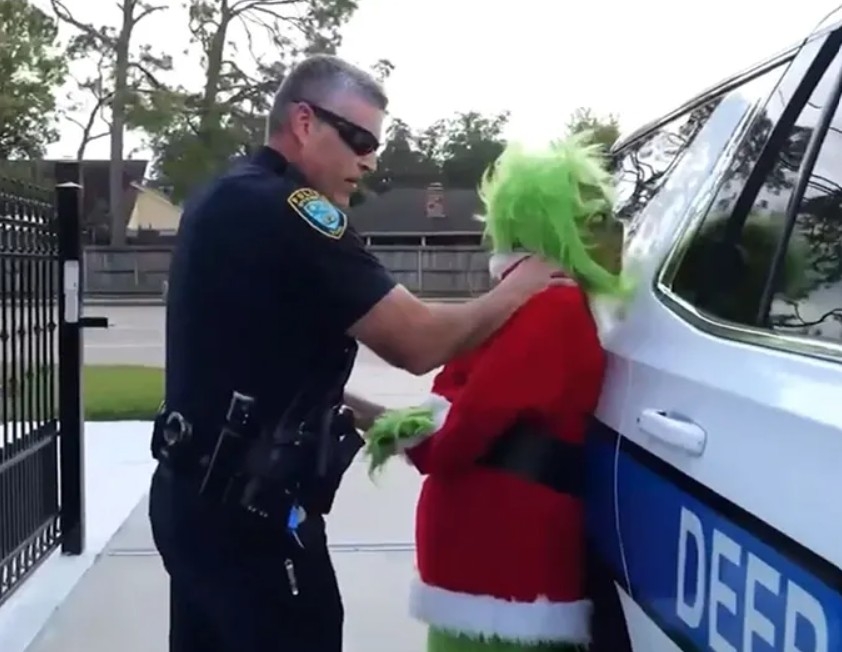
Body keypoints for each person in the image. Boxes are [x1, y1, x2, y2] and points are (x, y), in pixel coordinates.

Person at [147, 53, 565, 652]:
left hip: (193, 503)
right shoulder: (293, 211)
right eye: (359, 138)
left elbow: (256, 360)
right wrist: (520, 288)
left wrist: (371, 414)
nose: (368, 160)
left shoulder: (225, 195)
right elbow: (417, 342)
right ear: (303, 121)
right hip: (252, 522)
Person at [363, 134, 631, 652]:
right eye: (595, 221)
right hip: (506, 544)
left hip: (476, 530)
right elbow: (474, 420)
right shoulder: (552, 307)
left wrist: (415, 435)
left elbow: (451, 394)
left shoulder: (511, 302)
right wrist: (426, 444)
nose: (615, 234)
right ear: (556, 227)